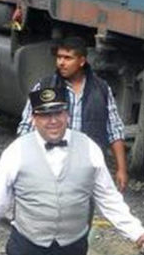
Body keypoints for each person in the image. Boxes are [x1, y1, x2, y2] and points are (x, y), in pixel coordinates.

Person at [0, 86, 144, 255]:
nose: (53, 121)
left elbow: (108, 198)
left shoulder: (89, 148)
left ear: (67, 115)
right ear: (34, 119)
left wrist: (137, 233)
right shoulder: (16, 151)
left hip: (72, 249)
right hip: (28, 249)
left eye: (58, 113)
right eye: (45, 115)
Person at [17, 36, 130, 191]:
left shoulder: (101, 89)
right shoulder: (45, 87)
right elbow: (26, 128)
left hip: (87, 169)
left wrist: (121, 169)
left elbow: (115, 130)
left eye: (68, 58)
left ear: (82, 61)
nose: (61, 63)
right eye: (59, 57)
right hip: (52, 167)